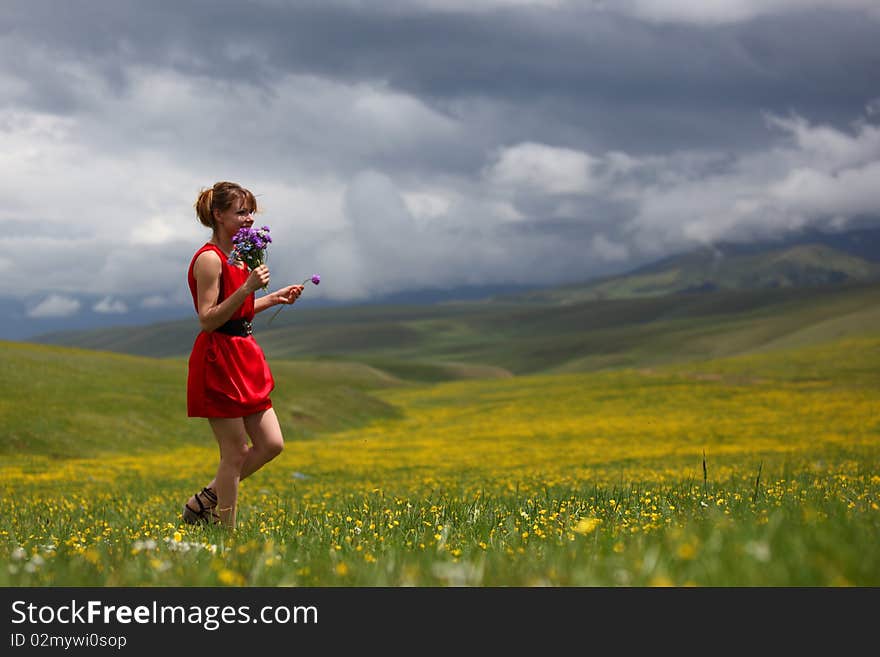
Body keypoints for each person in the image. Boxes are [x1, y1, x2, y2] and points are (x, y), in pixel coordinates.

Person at [182, 181, 303, 530]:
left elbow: (238, 311)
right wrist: (249, 288)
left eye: (250, 211)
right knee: (234, 453)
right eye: (241, 212)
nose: (249, 219)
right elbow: (208, 319)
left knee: (272, 443)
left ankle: (203, 502)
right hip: (218, 358)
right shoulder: (209, 259)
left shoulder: (240, 254)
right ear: (218, 215)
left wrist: (272, 297)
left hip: (243, 355)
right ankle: (226, 534)